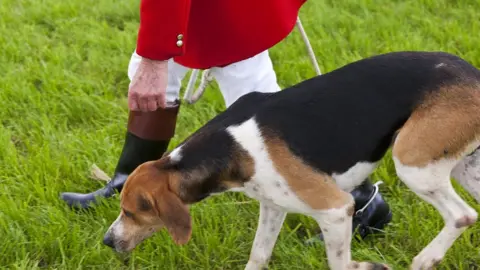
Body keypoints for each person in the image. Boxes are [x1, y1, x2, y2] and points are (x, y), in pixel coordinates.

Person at [60, 0, 392, 240]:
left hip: (229, 8)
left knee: (263, 114)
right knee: (159, 69)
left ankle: (362, 201)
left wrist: (154, 55)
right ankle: (129, 185)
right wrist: (153, 54)